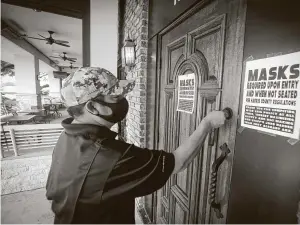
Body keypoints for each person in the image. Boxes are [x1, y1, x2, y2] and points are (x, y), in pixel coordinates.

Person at [46, 67, 228, 224]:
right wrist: (207, 124)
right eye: (116, 97)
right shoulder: (111, 156)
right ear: (93, 107)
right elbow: (179, 162)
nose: (123, 100)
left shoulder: (66, 137)